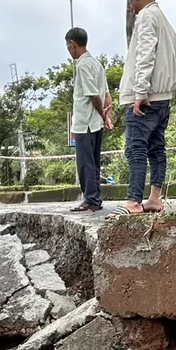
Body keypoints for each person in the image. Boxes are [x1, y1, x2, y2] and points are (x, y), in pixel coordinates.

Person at [113, 0, 176, 217]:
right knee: (156, 148)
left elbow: (145, 53)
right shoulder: (164, 20)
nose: (129, 3)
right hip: (163, 96)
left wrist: (140, 91)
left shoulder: (145, 17)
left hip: (146, 96)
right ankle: (154, 198)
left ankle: (133, 201)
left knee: (135, 147)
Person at [66, 27, 113, 212]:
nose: (69, 51)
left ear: (72, 45)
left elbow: (94, 95)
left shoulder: (83, 65)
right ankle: (95, 198)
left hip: (85, 122)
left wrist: (102, 114)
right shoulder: (97, 64)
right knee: (94, 161)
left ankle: (90, 199)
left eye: (68, 47)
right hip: (96, 124)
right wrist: (107, 118)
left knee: (85, 162)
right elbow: (107, 95)